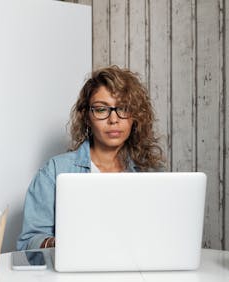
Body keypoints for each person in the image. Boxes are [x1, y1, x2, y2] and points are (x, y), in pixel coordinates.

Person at [16, 65, 165, 251]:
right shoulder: (55, 171)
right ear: (87, 116)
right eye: (102, 110)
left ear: (135, 117)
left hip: (135, 274)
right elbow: (28, 242)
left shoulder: (152, 173)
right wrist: (58, 243)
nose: (114, 120)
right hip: (74, 276)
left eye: (124, 108)